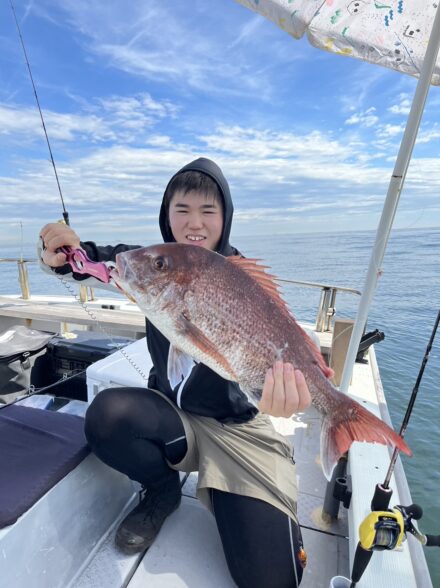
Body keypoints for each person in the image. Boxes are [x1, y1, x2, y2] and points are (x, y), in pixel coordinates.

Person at [39, 158, 316, 588]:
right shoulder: (159, 264)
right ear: (166, 215)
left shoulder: (237, 279)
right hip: (173, 418)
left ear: (226, 217)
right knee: (107, 414)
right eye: (181, 209)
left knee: (273, 578)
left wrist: (284, 391)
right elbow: (100, 261)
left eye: (209, 211)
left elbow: (275, 338)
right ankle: (162, 488)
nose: (194, 223)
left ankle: (242, 499)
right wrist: (60, 255)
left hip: (238, 431)